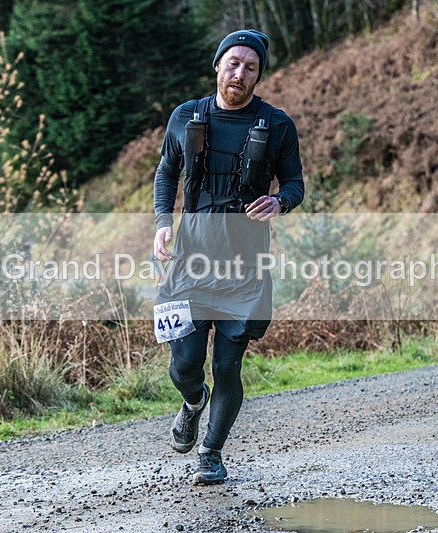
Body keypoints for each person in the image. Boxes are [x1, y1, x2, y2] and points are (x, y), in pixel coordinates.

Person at [152, 29, 304, 485]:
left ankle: (212, 452)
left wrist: (281, 202)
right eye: (233, 63)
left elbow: (295, 183)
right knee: (184, 363)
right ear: (217, 65)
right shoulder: (185, 117)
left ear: (258, 75)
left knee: (227, 366)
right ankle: (193, 402)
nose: (240, 73)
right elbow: (167, 171)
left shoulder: (277, 125)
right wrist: (163, 221)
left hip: (246, 267)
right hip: (190, 263)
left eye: (250, 67)